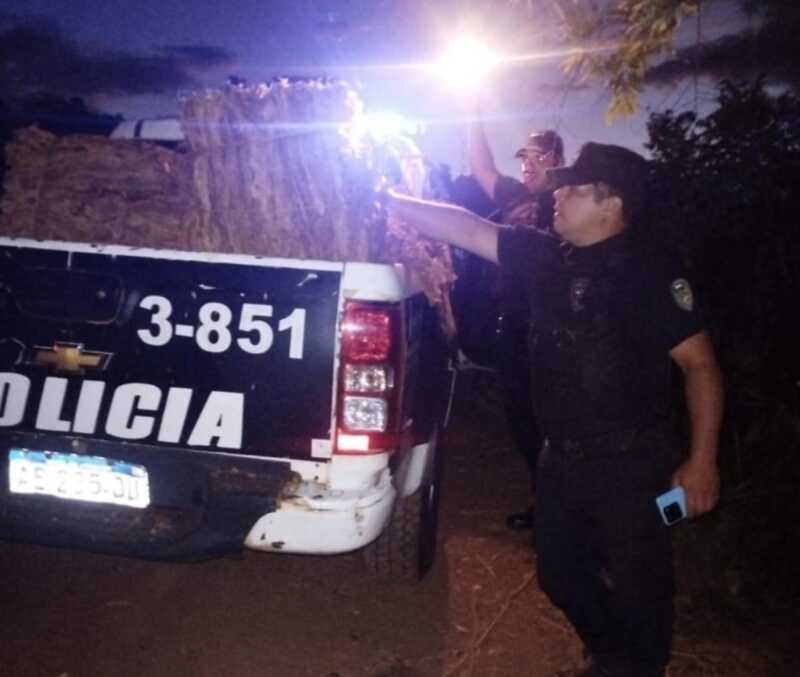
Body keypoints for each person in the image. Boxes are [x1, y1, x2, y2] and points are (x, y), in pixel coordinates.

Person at [386, 142, 723, 677]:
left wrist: (702, 463)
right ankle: (610, 652)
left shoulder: (651, 275)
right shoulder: (544, 258)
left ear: (611, 204)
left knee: (642, 585)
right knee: (559, 574)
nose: (557, 195)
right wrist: (388, 201)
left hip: (634, 468)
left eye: (573, 188)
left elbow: (700, 366)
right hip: (560, 461)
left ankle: (634, 665)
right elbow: (468, 228)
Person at [468, 116, 566, 532]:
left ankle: (564, 514)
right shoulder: (514, 196)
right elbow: (482, 168)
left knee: (552, 423)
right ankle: (543, 503)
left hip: (554, 330)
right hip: (513, 327)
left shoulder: (568, 200)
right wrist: (471, 112)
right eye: (523, 157)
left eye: (537, 157)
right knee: (521, 420)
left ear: (557, 160)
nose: (527, 164)